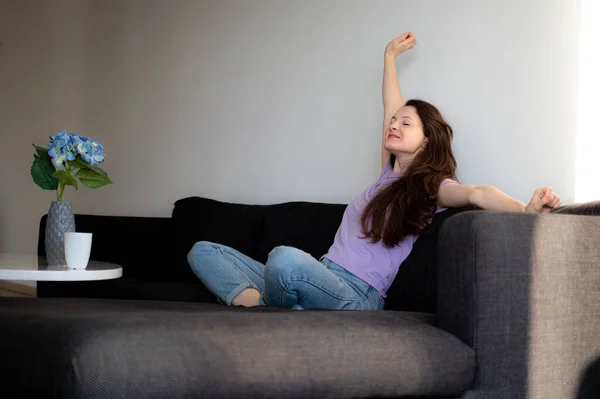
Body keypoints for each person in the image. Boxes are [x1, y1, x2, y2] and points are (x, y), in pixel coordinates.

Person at [187, 32, 562, 311]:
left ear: (427, 141)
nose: (395, 125)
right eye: (393, 122)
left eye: (407, 124)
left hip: (357, 295)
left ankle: (267, 308)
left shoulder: (430, 187)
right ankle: (263, 308)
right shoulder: (385, 174)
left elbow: (476, 193)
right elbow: (391, 103)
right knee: (204, 249)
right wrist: (389, 57)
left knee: (283, 258)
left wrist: (525, 211)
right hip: (322, 275)